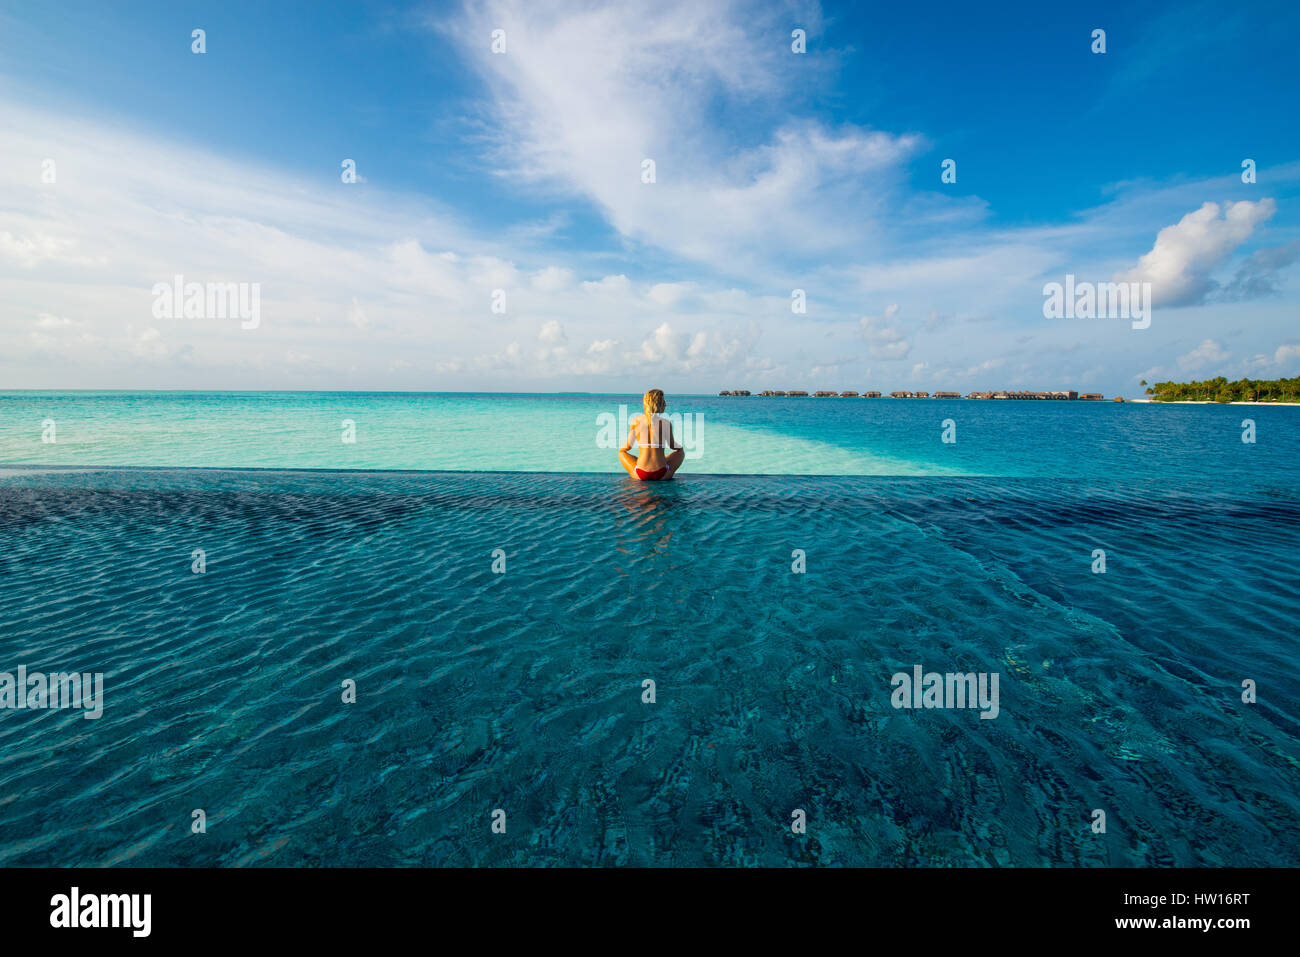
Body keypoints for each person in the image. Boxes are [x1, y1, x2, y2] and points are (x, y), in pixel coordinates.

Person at [619, 389, 685, 480]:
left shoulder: (636, 421)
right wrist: (680, 448)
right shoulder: (665, 423)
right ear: (658, 404)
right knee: (680, 452)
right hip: (662, 473)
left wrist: (629, 454)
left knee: (621, 453)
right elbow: (673, 446)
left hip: (640, 473)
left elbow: (628, 447)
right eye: (663, 401)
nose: (665, 404)